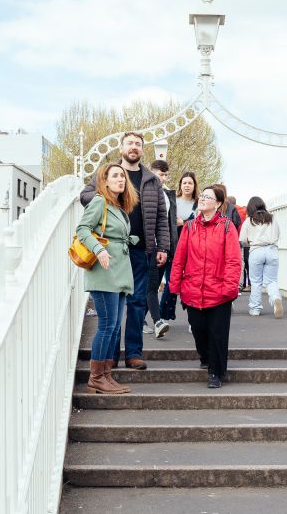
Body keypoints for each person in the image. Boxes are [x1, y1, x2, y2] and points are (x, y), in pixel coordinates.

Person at [80, 131, 170, 370]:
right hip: (113, 250)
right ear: (121, 148)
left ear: (142, 150)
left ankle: (133, 353)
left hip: (141, 250)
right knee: (114, 306)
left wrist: (163, 246)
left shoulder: (151, 180)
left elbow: (162, 216)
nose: (134, 147)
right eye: (129, 143)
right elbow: (85, 195)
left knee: (138, 303)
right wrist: (110, 195)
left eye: (138, 144)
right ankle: (111, 357)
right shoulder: (108, 174)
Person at [169, 184, 242, 389]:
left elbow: (233, 261)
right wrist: (175, 286)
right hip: (193, 289)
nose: (201, 199)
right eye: (201, 196)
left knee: (217, 333)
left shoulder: (227, 227)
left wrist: (229, 288)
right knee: (199, 329)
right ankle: (205, 356)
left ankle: (216, 372)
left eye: (207, 197)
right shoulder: (190, 227)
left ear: (218, 204)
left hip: (219, 291)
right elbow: (179, 258)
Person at [76, 163, 138, 394]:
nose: (121, 179)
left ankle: (106, 375)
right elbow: (82, 229)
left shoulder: (118, 206)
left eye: (122, 176)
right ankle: (96, 377)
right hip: (104, 272)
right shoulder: (99, 201)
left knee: (113, 327)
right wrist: (99, 249)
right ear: (105, 180)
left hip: (118, 270)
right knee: (106, 325)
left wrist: (128, 239)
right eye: (115, 176)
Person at [159, 171, 197, 324]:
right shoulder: (172, 201)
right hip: (173, 246)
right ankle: (163, 316)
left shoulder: (199, 203)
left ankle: (193, 319)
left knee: (191, 284)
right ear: (180, 185)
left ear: (195, 185)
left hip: (193, 248)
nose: (187, 185)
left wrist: (185, 223)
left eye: (190, 183)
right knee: (171, 282)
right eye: (184, 183)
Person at [147, 160, 178, 339]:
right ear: (152, 173)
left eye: (166, 175)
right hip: (146, 247)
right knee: (148, 287)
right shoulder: (144, 191)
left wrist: (165, 248)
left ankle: (152, 321)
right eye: (161, 174)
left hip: (160, 247)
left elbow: (166, 223)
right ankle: (156, 321)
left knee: (152, 285)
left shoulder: (166, 195)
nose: (164, 178)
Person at [240, 196, 284, 318]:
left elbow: (242, 240)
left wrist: (250, 242)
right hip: (272, 250)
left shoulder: (249, 221)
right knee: (271, 281)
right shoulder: (272, 218)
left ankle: (255, 309)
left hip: (256, 251)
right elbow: (278, 234)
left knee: (256, 282)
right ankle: (275, 297)